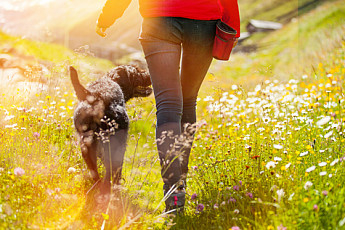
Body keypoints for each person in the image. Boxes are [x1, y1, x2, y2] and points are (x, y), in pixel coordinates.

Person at [96, 0, 240, 212]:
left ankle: (173, 193)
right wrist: (232, 24)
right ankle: (180, 180)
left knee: (168, 104)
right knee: (188, 99)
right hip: (203, 20)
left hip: (158, 18)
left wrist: (107, 17)